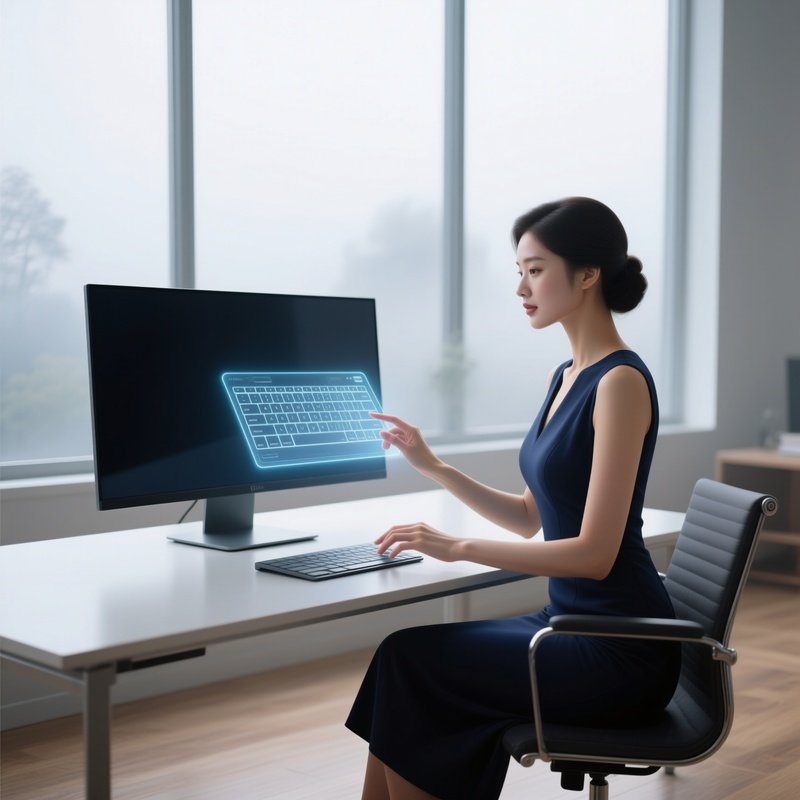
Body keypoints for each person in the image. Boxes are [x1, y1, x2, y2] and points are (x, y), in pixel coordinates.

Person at [345, 197, 680, 800]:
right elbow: (530, 518)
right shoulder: (567, 376)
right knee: (405, 658)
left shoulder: (621, 383)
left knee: (412, 665)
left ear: (586, 275)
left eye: (535, 269)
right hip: (567, 623)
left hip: (619, 651)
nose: (521, 286)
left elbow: (595, 556)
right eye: (520, 270)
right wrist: (436, 467)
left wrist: (459, 546)